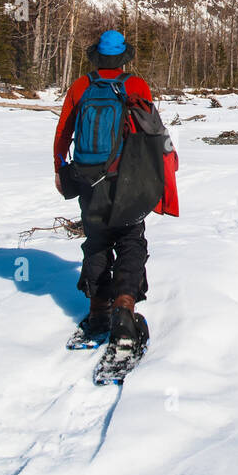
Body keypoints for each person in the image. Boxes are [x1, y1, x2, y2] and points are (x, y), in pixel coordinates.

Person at [53, 28, 178, 350]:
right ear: (123, 58)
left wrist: (60, 169)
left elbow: (63, 132)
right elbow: (154, 129)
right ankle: (124, 308)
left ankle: (97, 312)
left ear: (97, 57)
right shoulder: (135, 86)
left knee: (96, 240)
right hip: (126, 179)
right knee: (130, 239)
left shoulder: (81, 86)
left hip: (87, 177)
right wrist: (169, 159)